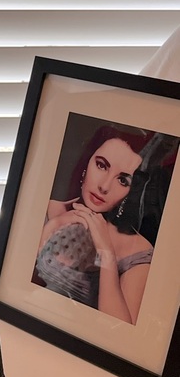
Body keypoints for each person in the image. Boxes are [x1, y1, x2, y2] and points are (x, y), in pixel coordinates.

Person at [34, 124, 156, 325]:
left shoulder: (139, 252)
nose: (104, 186)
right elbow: (15, 291)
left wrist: (106, 252)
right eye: (101, 166)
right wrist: (52, 226)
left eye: (123, 180)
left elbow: (119, 333)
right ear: (86, 162)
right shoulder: (46, 210)